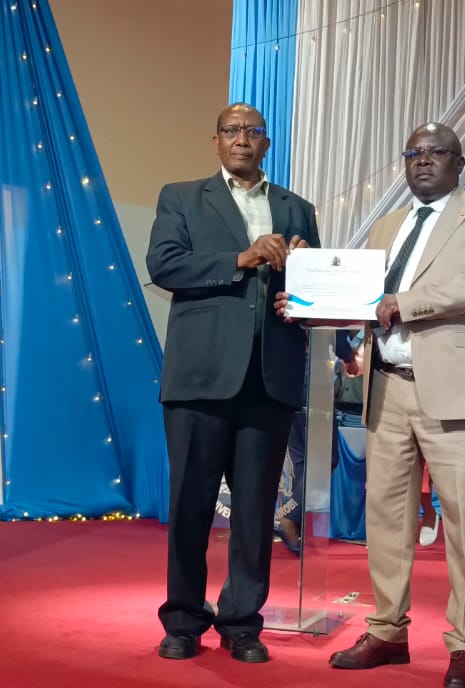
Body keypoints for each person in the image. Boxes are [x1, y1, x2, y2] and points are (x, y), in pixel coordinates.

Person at [281, 122, 465, 688]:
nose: (422, 161)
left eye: (436, 152)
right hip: (385, 387)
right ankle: (387, 630)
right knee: (385, 519)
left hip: (457, 390)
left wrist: (405, 303)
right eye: (413, 153)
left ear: (459, 163)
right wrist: (311, 303)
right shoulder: (388, 225)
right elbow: (365, 304)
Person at [146, 103, 321, 664]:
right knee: (191, 505)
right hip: (200, 377)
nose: (242, 139)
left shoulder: (297, 208)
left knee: (254, 512)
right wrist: (242, 258)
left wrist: (302, 285)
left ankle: (243, 622)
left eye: (253, 132)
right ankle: (183, 619)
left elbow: (317, 294)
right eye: (232, 131)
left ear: (267, 144)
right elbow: (165, 265)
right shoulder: (181, 197)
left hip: (269, 378)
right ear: (215, 142)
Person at [275, 330, 362, 556]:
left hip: (289, 382)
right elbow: (337, 335)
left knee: (301, 460)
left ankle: (294, 523)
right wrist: (350, 357)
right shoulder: (323, 297)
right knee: (326, 460)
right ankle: (289, 518)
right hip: (313, 386)